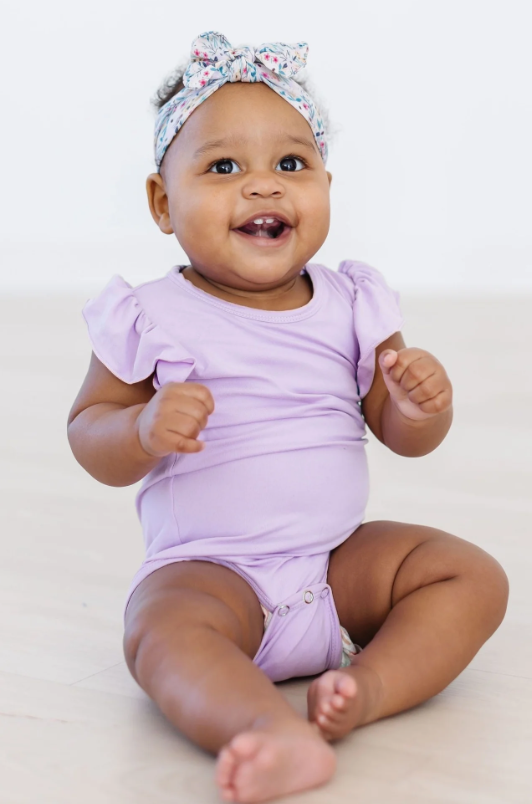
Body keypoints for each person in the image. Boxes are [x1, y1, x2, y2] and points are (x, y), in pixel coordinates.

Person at [67, 31, 509, 804]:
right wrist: (139, 431)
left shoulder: (352, 303)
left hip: (338, 570)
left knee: (471, 576)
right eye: (224, 167)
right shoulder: (149, 316)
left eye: (292, 164)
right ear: (162, 203)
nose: (264, 187)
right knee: (158, 631)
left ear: (327, 184)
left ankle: (365, 691)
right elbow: (88, 432)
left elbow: (403, 437)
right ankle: (262, 730)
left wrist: (417, 406)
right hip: (211, 574)